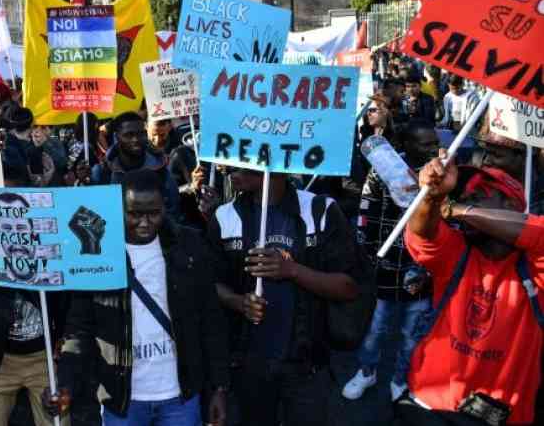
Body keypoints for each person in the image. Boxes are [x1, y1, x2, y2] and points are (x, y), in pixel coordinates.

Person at [50, 169, 229, 426]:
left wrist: (219, 388)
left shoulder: (189, 245)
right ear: (118, 208)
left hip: (181, 398)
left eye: (153, 213)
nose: (144, 223)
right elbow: (80, 328)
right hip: (122, 400)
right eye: (134, 214)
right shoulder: (94, 253)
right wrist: (65, 383)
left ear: (165, 207)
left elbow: (211, 321)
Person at [394, 155, 543, 425]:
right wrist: (430, 197)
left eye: (478, 195)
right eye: (463, 196)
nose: (464, 198)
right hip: (429, 406)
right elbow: (422, 232)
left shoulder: (535, 272)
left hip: (501, 417)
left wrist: (459, 209)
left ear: (510, 207)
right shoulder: (457, 253)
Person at [207, 168, 361, 426]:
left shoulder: (319, 211)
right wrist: (238, 302)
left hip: (307, 365)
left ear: (274, 165)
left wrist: (291, 270)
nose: (229, 169)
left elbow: (349, 287)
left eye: (241, 163)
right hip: (249, 365)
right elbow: (208, 285)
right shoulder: (224, 217)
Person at [343, 120, 439, 402]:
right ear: (407, 146)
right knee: (377, 328)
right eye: (427, 144)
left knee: (413, 332)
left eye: (435, 142)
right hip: (385, 264)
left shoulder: (442, 176)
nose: (435, 148)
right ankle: (366, 371)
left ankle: (402, 378)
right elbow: (365, 213)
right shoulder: (383, 169)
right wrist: (367, 254)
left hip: (423, 268)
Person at [0, 191, 68, 426]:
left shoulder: (56, 249)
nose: (13, 230)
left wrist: (64, 337)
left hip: (44, 359)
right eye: (5, 222)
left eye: (20, 220)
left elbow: (70, 302)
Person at [89, 112, 181, 220]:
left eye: (141, 134)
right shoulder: (102, 172)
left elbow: (172, 210)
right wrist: (82, 184)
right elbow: (96, 212)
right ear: (117, 137)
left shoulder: (160, 168)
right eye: (129, 135)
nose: (136, 140)